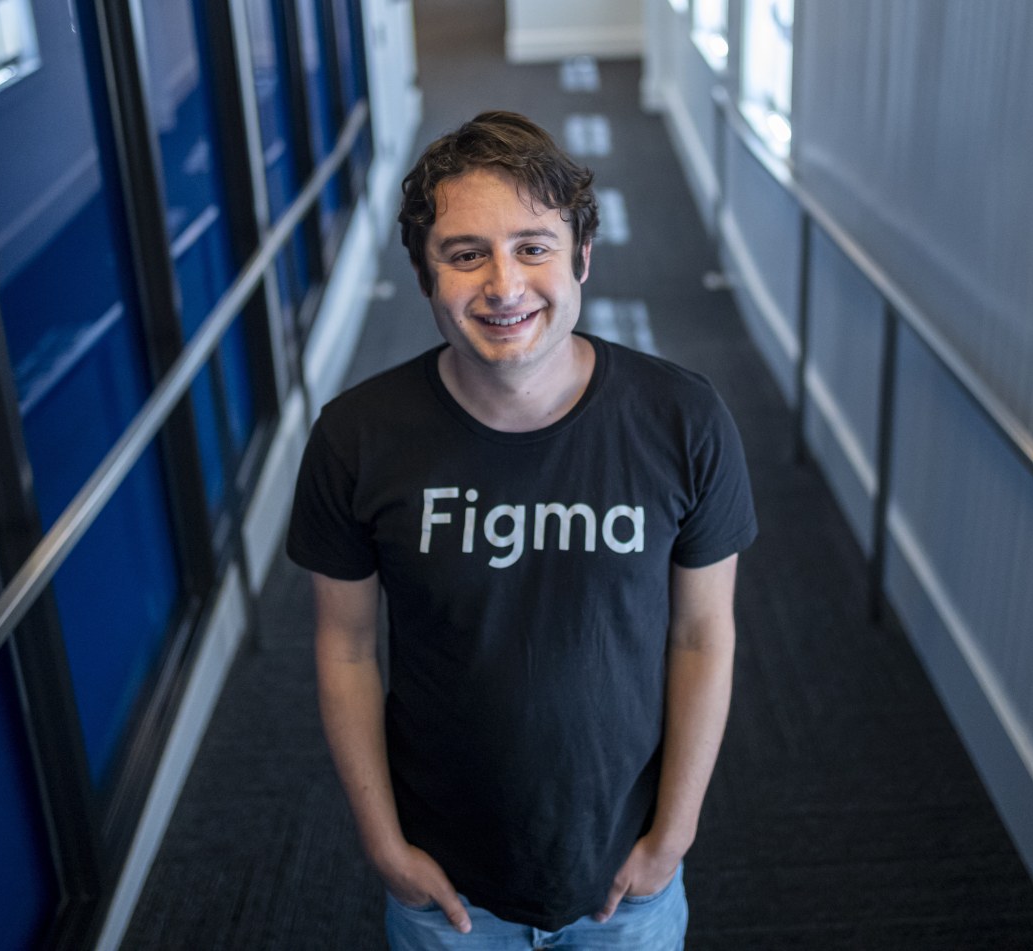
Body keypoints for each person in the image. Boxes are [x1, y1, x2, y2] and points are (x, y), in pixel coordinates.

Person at [287, 110, 756, 949]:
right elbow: (347, 647)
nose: (504, 285)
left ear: (581, 256)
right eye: (466, 254)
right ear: (428, 276)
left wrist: (673, 836)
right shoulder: (355, 439)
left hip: (628, 880)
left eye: (533, 246)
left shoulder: (685, 420)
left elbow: (702, 633)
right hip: (445, 891)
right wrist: (385, 846)